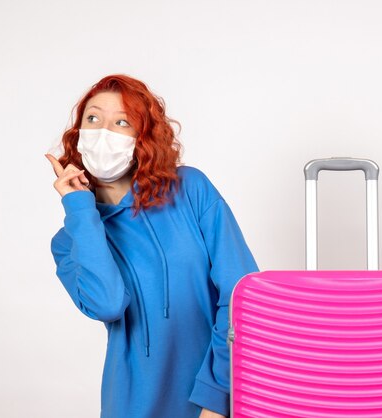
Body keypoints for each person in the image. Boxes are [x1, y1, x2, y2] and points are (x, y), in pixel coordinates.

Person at [45, 74, 259, 418]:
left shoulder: (191, 190)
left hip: (219, 400)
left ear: (141, 136)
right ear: (79, 133)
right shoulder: (71, 239)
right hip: (132, 405)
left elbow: (242, 295)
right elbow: (108, 304)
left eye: (122, 122)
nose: (104, 132)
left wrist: (216, 398)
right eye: (93, 118)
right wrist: (81, 209)